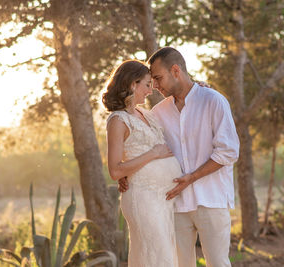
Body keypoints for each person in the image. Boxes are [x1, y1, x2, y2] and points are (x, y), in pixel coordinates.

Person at [119, 47, 240, 267]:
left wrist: (191, 177)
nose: (155, 86)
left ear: (176, 70)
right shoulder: (158, 112)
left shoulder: (213, 101)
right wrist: (127, 173)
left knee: (218, 263)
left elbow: (228, 151)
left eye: (158, 78)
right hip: (173, 203)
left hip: (211, 199)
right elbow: (143, 144)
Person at [103, 59, 182, 266]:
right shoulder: (118, 120)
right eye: (147, 84)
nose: (151, 90)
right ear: (132, 84)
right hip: (143, 198)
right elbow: (114, 170)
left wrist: (200, 86)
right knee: (158, 257)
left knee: (163, 256)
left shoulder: (146, 114)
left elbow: (179, 106)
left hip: (162, 198)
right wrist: (154, 154)